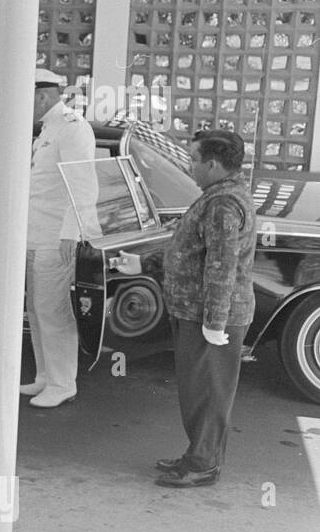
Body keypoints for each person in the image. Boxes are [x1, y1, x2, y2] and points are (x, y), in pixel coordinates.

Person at [114, 130, 255, 488]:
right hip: (197, 311)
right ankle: (199, 456)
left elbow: (221, 265)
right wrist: (144, 265)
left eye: (193, 159)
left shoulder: (222, 203)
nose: (189, 165)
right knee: (201, 392)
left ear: (212, 164)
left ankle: (202, 466)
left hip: (207, 315)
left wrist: (214, 321)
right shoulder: (218, 195)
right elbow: (191, 249)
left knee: (206, 393)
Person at [22, 68, 97, 408]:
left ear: (41, 95)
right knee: (36, 310)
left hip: (57, 236)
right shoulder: (48, 128)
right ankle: (44, 376)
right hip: (35, 233)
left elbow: (81, 184)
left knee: (54, 311)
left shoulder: (72, 127)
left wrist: (72, 232)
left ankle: (63, 382)